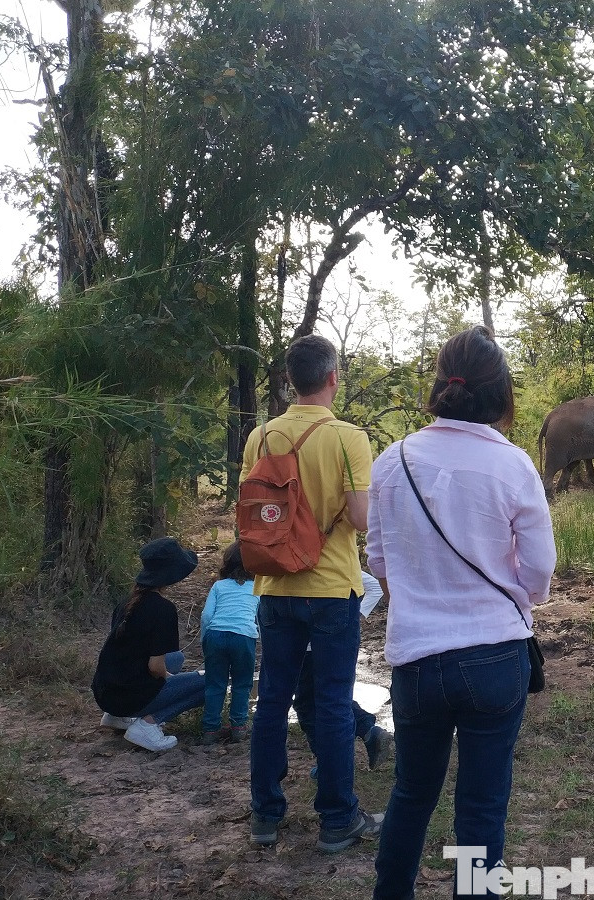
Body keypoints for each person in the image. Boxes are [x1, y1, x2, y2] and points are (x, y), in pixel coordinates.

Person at [366, 325, 556, 899]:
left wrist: (424, 591)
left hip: (415, 660)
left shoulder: (391, 461)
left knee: (411, 791)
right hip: (496, 657)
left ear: (440, 386)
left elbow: (378, 559)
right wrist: (516, 595)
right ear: (502, 394)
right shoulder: (515, 466)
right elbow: (540, 571)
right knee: (481, 804)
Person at [241, 333, 383, 853]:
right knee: (330, 702)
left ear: (288, 380)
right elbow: (364, 520)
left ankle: (265, 813)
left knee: (272, 699)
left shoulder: (261, 438)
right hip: (330, 589)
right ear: (332, 378)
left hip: (274, 585)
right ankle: (337, 819)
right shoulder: (348, 437)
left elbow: (253, 509)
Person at [91, 537, 206, 753]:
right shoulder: (163, 610)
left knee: (176, 659)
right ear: (172, 575)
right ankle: (149, 723)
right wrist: (169, 679)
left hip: (106, 692)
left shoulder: (127, 601)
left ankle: (117, 717)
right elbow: (155, 668)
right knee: (210, 682)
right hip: (128, 696)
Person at [295, 569, 392, 778]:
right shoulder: (340, 560)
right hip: (338, 640)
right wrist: (355, 616)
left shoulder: (303, 560)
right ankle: (367, 732)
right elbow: (375, 587)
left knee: (307, 704)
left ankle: (328, 765)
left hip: (306, 645)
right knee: (334, 698)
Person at [199, 541, 258, 745]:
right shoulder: (257, 587)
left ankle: (210, 730)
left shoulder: (218, 586)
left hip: (216, 634)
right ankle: (239, 727)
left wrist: (204, 639)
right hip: (244, 637)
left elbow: (206, 616)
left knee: (215, 683)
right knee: (242, 683)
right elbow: (261, 618)